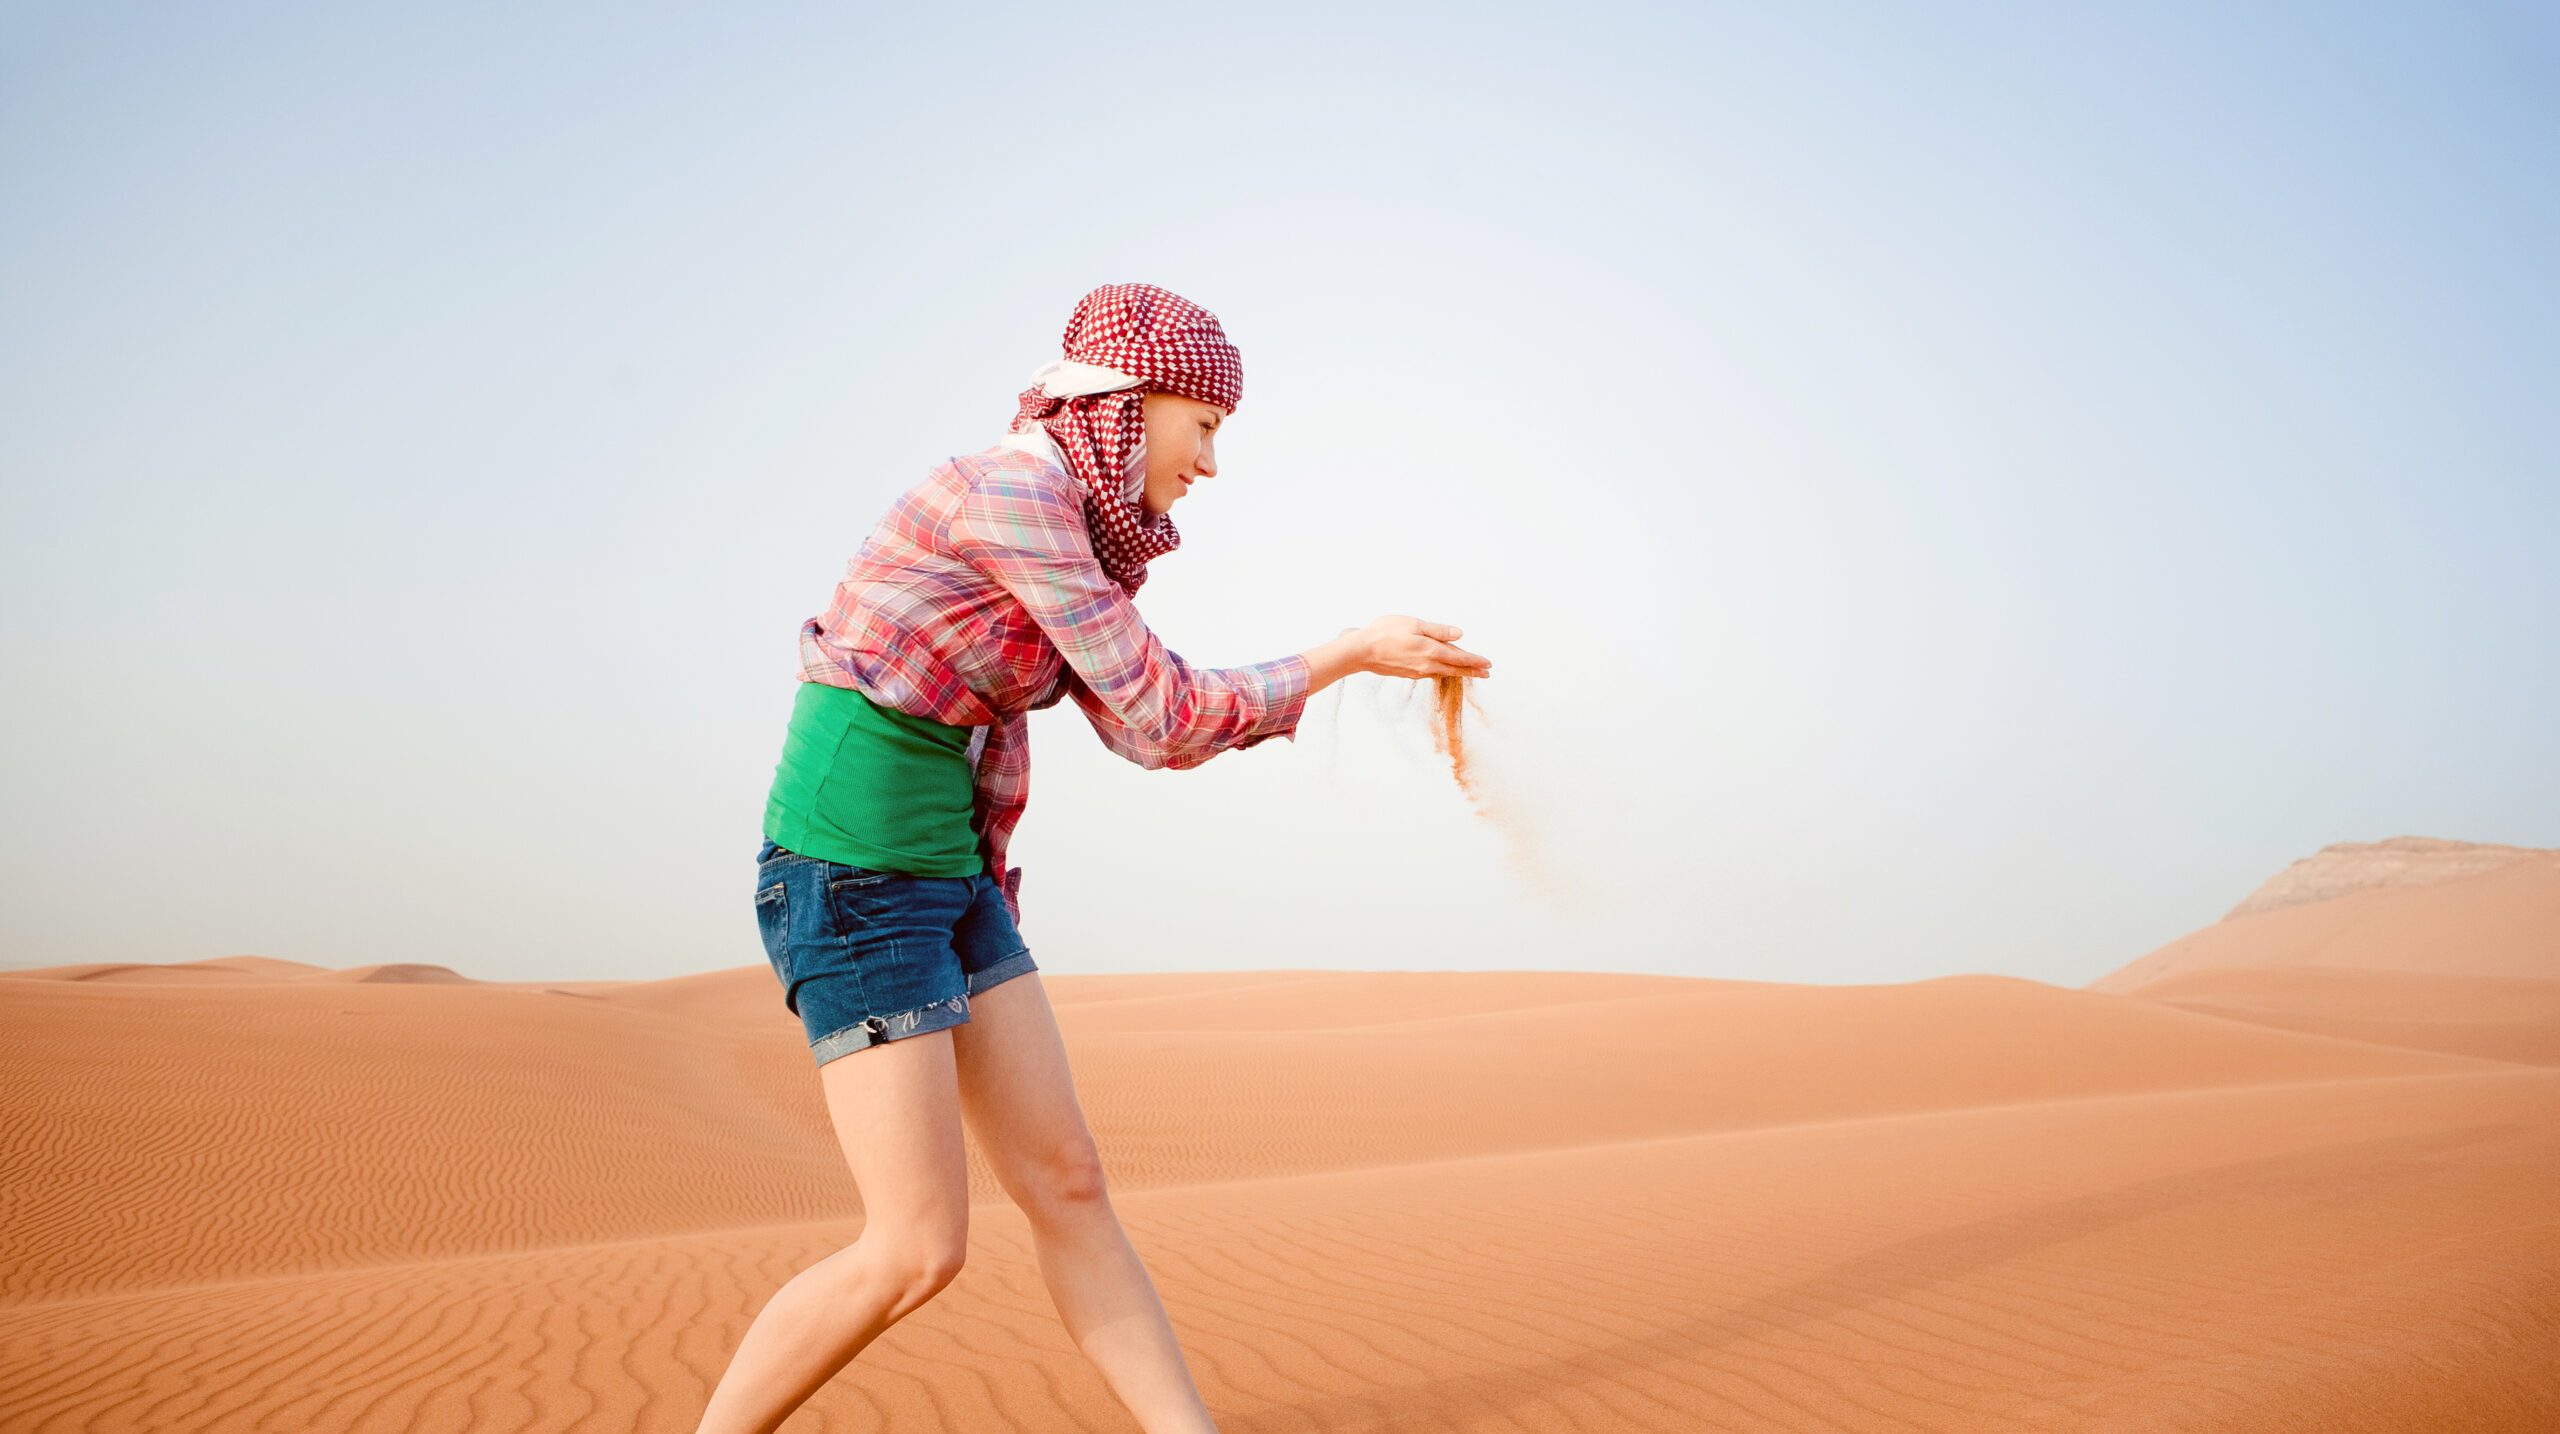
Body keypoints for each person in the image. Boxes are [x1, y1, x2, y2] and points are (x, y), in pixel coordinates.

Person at [695, 282, 1493, 1434]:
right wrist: (1346, 654)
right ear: (1129, 403)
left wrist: (1343, 658)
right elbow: (1165, 712)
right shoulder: (1016, 497)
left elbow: (1137, 731)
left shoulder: (1073, 529)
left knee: (1068, 1181)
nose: (1210, 463)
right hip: (852, 876)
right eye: (1202, 425)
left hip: (951, 872)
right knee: (916, 1250)